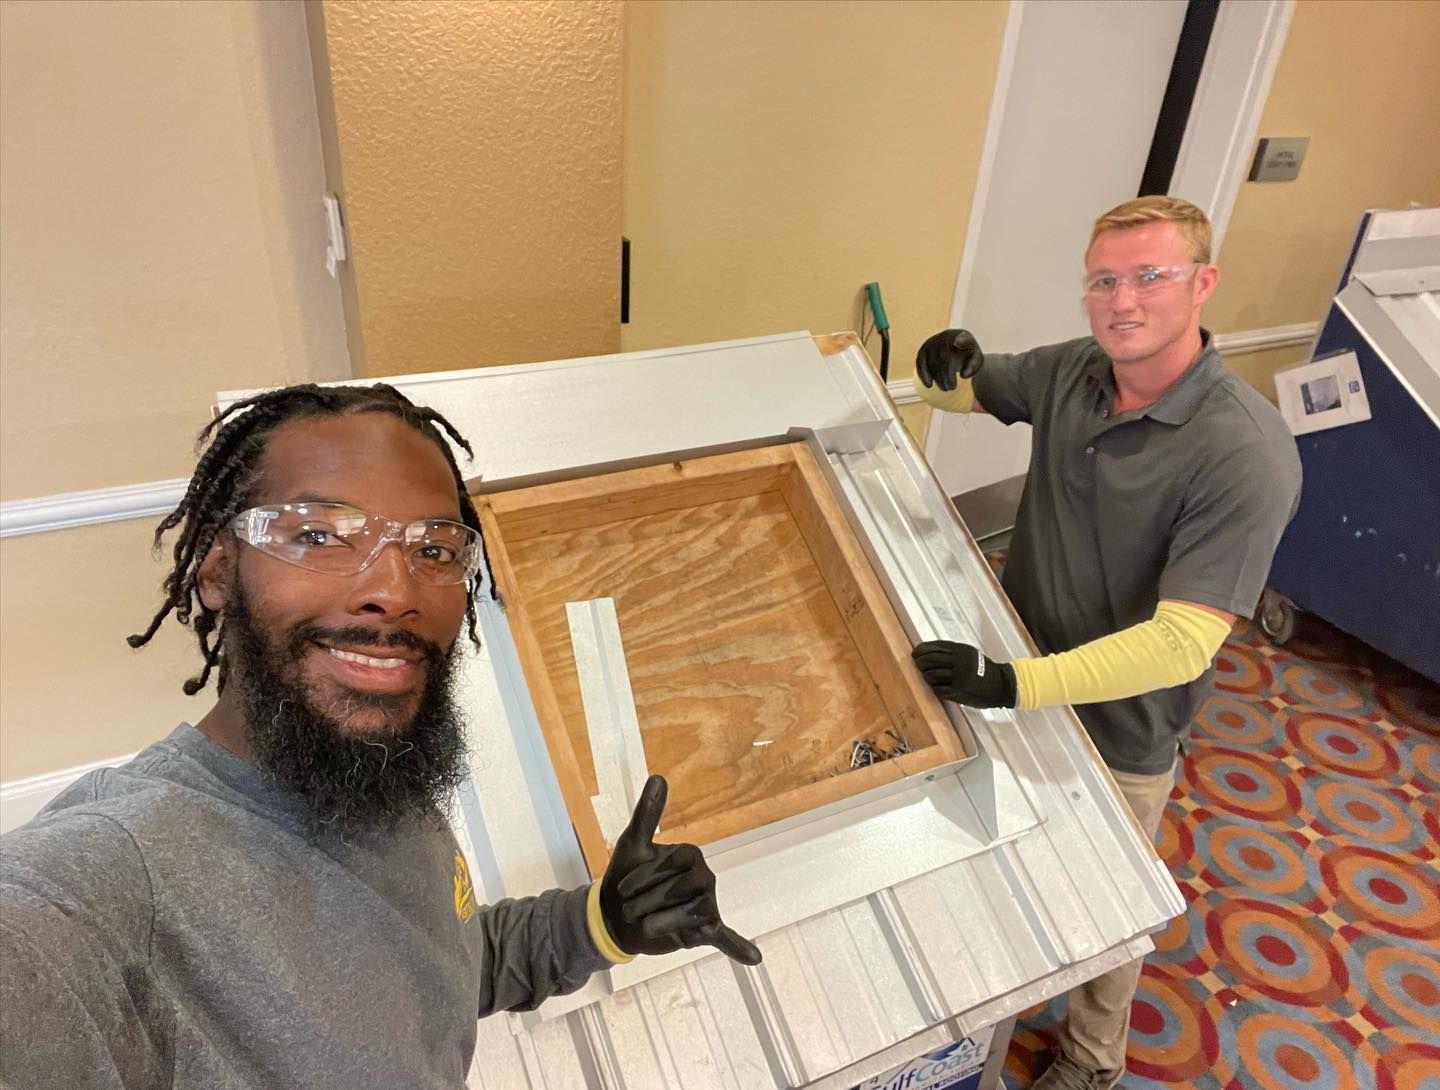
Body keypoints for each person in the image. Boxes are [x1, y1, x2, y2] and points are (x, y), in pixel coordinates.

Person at [0, 384, 761, 1089]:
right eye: (320, 534)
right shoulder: (99, 884)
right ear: (218, 573)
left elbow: (443, 961)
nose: (394, 592)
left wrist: (603, 922)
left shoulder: (370, 778)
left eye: (433, 549)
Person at [910, 196, 1301, 1090]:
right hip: (1020, 677)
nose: (1123, 302)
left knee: (1109, 901)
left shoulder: (1244, 451)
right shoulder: (1074, 372)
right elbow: (963, 392)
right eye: (1104, 281)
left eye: (1151, 277)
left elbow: (1180, 645)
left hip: (1122, 723)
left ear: (1203, 283)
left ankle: (1092, 1059)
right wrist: (946, 363)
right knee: (1008, 851)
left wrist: (1013, 684)